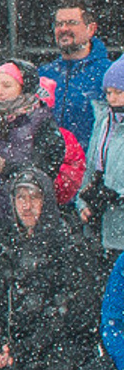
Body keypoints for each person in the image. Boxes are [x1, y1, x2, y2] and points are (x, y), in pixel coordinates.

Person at [0, 166, 101, 370]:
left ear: (47, 201)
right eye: (20, 197)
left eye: (34, 197)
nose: (27, 206)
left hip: (55, 339)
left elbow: (72, 309)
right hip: (20, 339)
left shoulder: (67, 241)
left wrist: (29, 346)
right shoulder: (4, 242)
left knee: (61, 360)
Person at [0, 61, 65, 228]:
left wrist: (5, 167)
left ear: (24, 87)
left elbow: (45, 169)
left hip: (29, 218)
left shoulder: (41, 122)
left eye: (7, 85)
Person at [42, 1, 115, 149]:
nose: (64, 29)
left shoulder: (110, 74)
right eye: (59, 24)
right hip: (49, 161)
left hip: (93, 161)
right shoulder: (44, 75)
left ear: (91, 29)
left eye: (71, 23)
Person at [79, 59, 124, 259]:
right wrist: (83, 202)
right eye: (108, 92)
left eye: (119, 92)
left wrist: (116, 196)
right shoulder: (104, 122)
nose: (112, 99)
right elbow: (90, 166)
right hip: (102, 229)